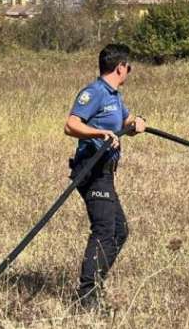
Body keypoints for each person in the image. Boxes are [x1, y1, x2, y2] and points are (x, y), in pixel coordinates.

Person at [63, 43, 145, 311]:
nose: (129, 72)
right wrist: (99, 134)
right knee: (105, 231)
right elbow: (71, 124)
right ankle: (86, 299)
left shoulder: (115, 96)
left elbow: (125, 122)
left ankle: (93, 287)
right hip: (91, 170)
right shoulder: (94, 92)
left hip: (106, 173)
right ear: (120, 67)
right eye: (128, 67)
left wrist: (137, 123)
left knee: (119, 231)